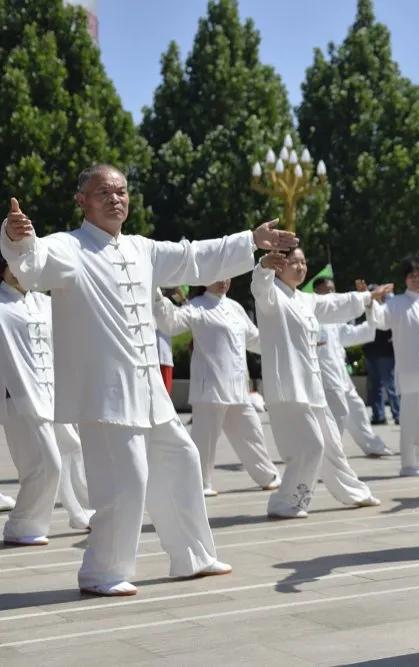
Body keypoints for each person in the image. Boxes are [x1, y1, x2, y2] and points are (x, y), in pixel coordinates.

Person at [1, 165, 297, 596]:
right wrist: (16, 237)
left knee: (182, 461)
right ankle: (102, 571)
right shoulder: (68, 247)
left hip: (149, 393)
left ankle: (192, 556)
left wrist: (249, 241)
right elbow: (32, 262)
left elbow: (193, 257)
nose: (115, 199)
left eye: (121, 191)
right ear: (81, 200)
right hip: (103, 395)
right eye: (103, 192)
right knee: (126, 482)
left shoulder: (141, 248)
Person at [251, 248, 389, 518]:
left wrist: (366, 297)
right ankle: (284, 502)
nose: (301, 267)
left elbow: (333, 305)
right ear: (280, 266)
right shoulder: (270, 296)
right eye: (294, 262)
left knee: (332, 446)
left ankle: (354, 492)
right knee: (312, 445)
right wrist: (264, 265)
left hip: (312, 387)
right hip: (289, 387)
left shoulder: (305, 300)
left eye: (303, 262)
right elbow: (259, 283)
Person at [152, 280, 282, 496]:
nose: (223, 281)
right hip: (210, 389)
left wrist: (281, 342)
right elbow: (171, 323)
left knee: (253, 434)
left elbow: (255, 339)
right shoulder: (197, 306)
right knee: (205, 442)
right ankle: (198, 484)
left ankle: (268, 476)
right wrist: (157, 296)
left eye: (227, 276)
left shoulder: (235, 307)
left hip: (238, 389)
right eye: (217, 276)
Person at [0, 254, 93, 545]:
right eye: (10, 265)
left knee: (73, 449)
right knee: (45, 463)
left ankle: (83, 511)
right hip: (20, 397)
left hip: (54, 393)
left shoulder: (45, 302)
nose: (18, 271)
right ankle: (22, 524)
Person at [313, 277, 394, 459]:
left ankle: (371, 444)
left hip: (340, 373)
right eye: (327, 290)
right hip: (323, 376)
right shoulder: (310, 318)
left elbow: (358, 333)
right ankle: (330, 452)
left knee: (356, 407)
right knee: (337, 414)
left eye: (333, 289)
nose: (331, 293)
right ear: (316, 293)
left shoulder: (335, 321)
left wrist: (369, 305)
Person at [373, 255, 419, 476]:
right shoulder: (396, 303)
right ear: (405, 279)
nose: (416, 279)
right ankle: (409, 464)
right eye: (411, 275)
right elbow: (379, 320)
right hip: (411, 372)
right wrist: (372, 300)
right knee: (410, 421)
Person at [363, 327, 400, 425]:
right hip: (378, 350)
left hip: (378, 350)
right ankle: (389, 415)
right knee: (384, 386)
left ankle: (384, 415)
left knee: (382, 386)